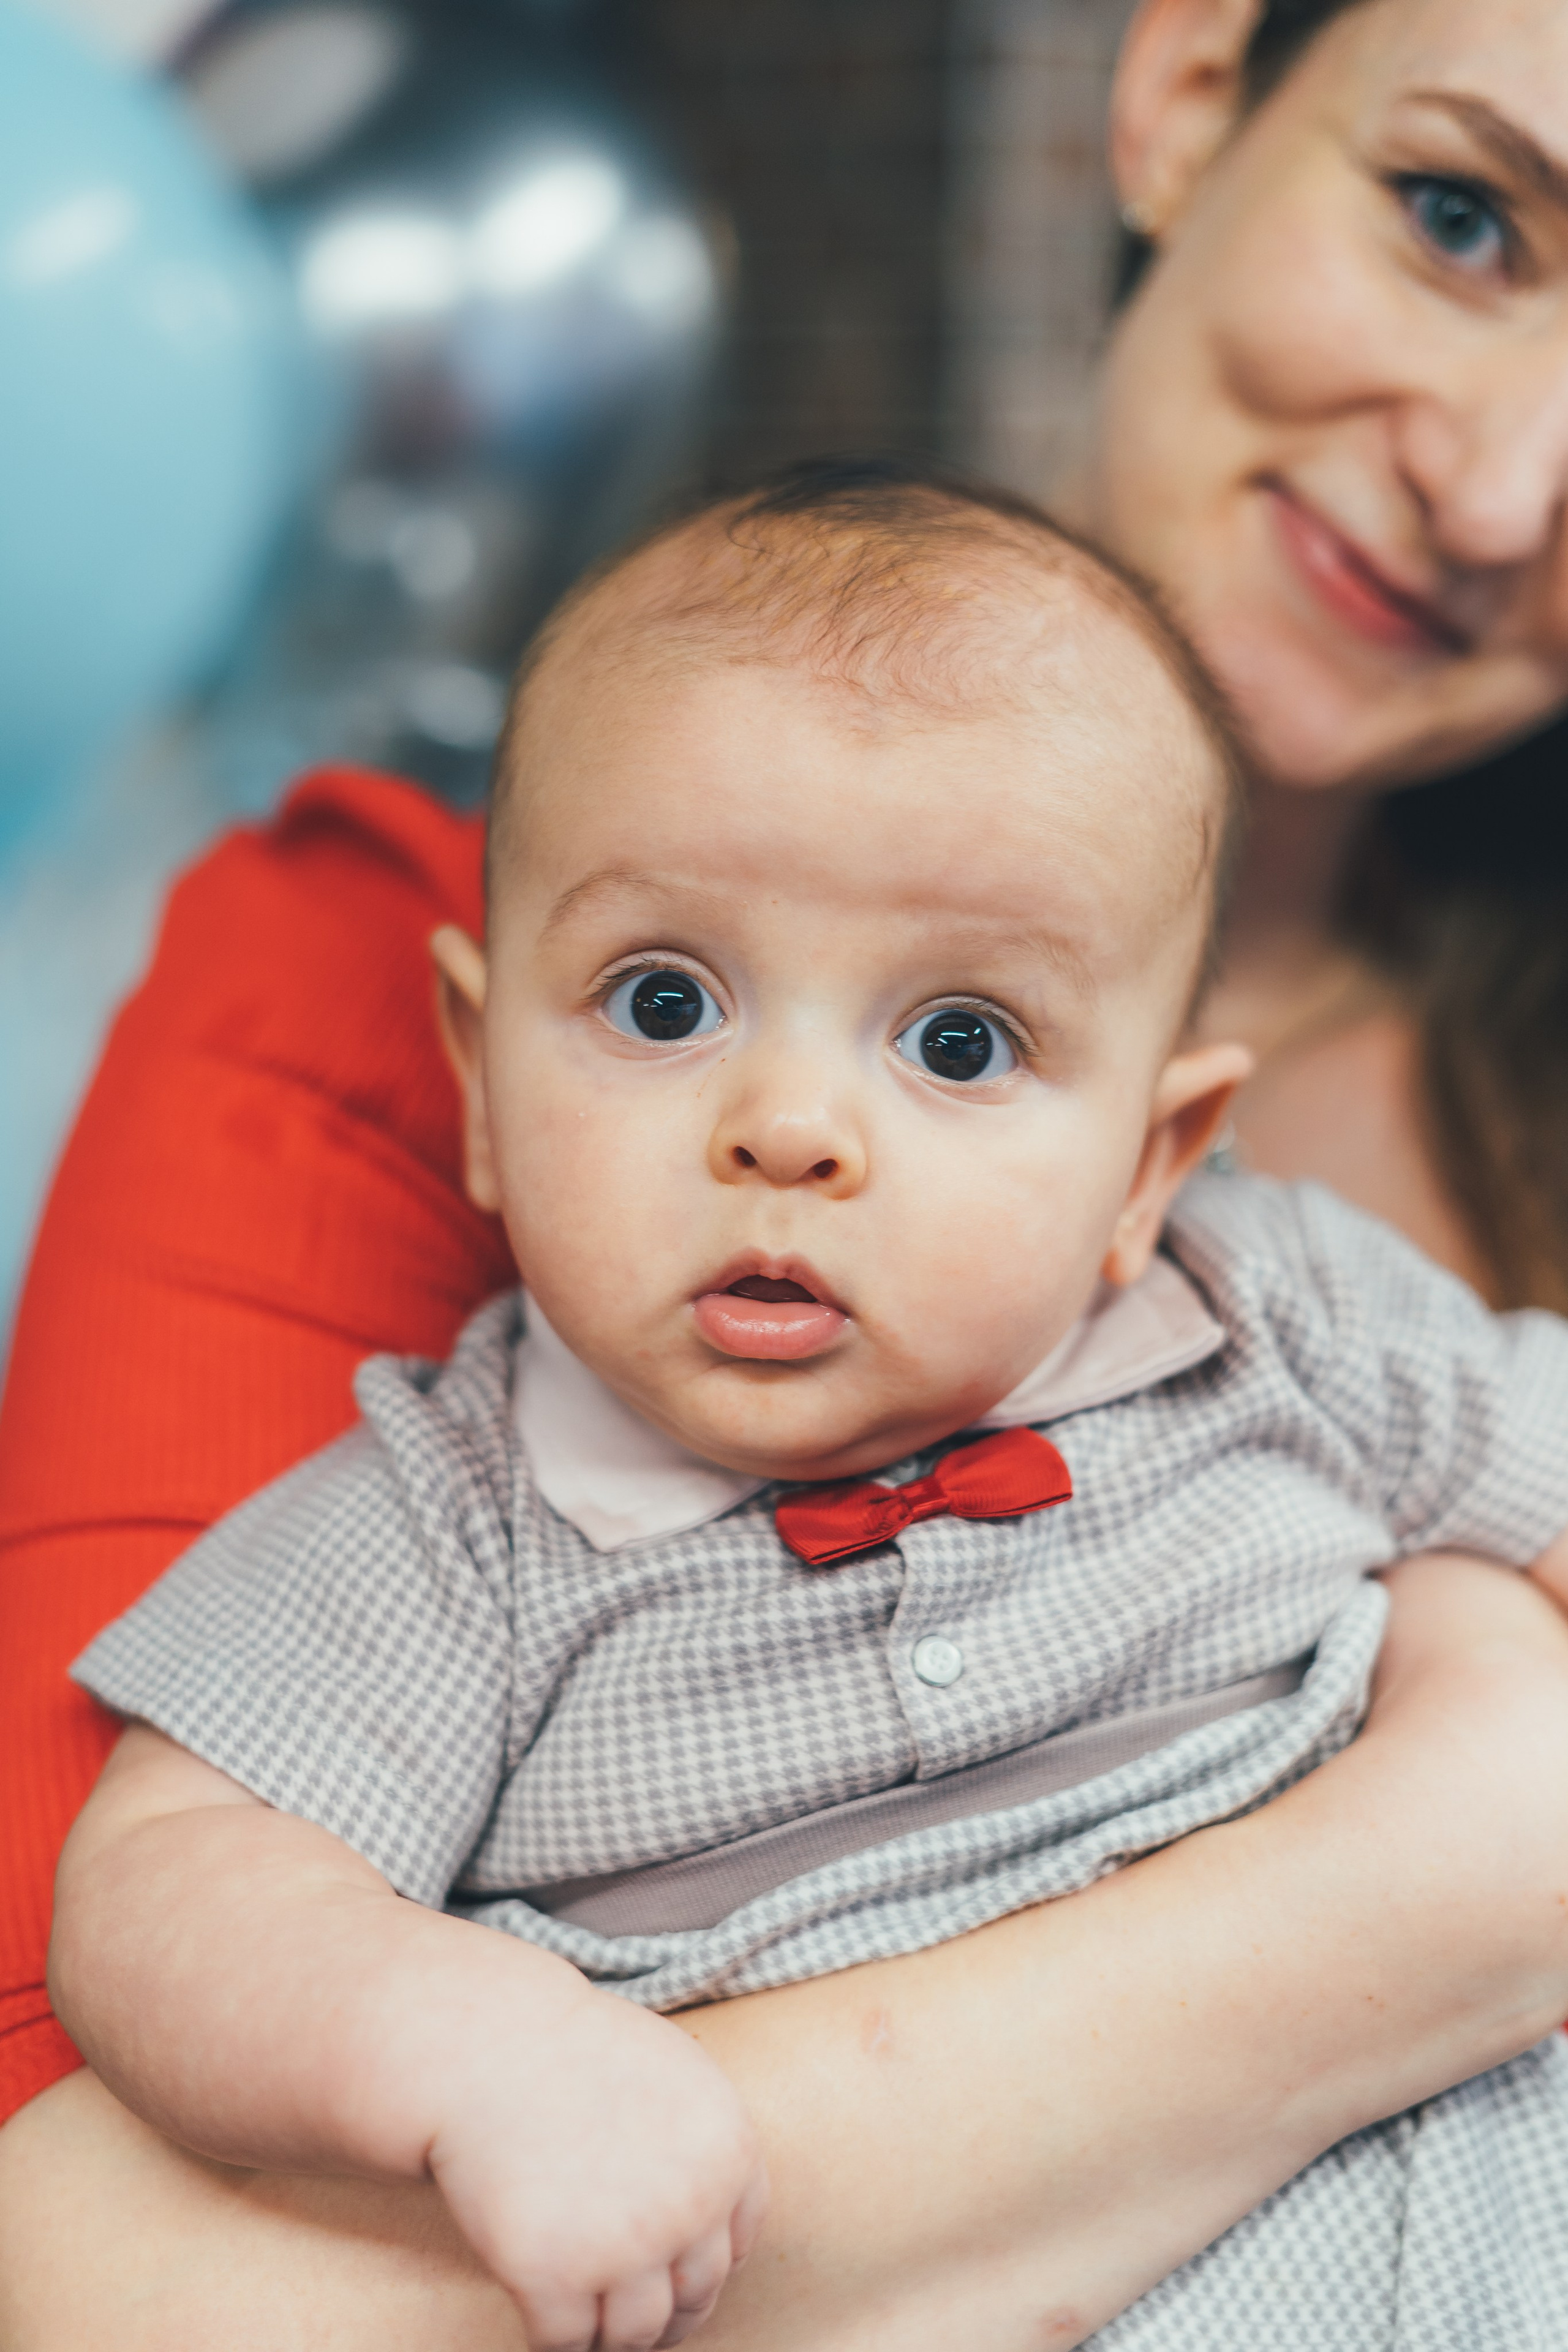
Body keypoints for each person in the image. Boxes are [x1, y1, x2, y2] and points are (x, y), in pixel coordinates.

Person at [9, 0, 1568, 2343]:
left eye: (959, 1044)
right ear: (478, 1068)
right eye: (664, 1005)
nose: (790, 1127)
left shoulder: (1288, 1309)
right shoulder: (457, 1513)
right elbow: (153, 1945)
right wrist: (467, 2057)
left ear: (1160, 1161)